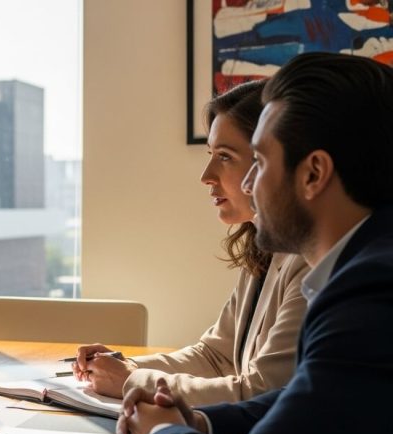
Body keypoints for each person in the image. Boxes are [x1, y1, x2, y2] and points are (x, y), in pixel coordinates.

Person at [117, 52, 393, 434]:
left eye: (259, 162)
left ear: (314, 174)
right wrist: (198, 423)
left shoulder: (372, 294)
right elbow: (303, 405)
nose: (246, 185)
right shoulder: (364, 270)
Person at [73, 81, 308, 406]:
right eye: (211, 154)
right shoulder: (264, 248)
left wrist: (130, 381)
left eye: (225, 156)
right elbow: (216, 356)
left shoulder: (309, 261)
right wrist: (127, 366)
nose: (206, 175)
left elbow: (261, 394)